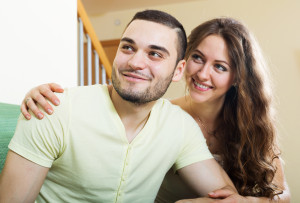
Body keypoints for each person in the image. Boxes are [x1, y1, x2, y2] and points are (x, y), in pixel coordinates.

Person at [20, 17, 291, 203]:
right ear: (182, 64)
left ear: (238, 78)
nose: (203, 74)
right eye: (198, 58)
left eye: (220, 66)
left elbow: (283, 194)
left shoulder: (252, 126)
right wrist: (45, 95)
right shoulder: (160, 115)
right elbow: (121, 95)